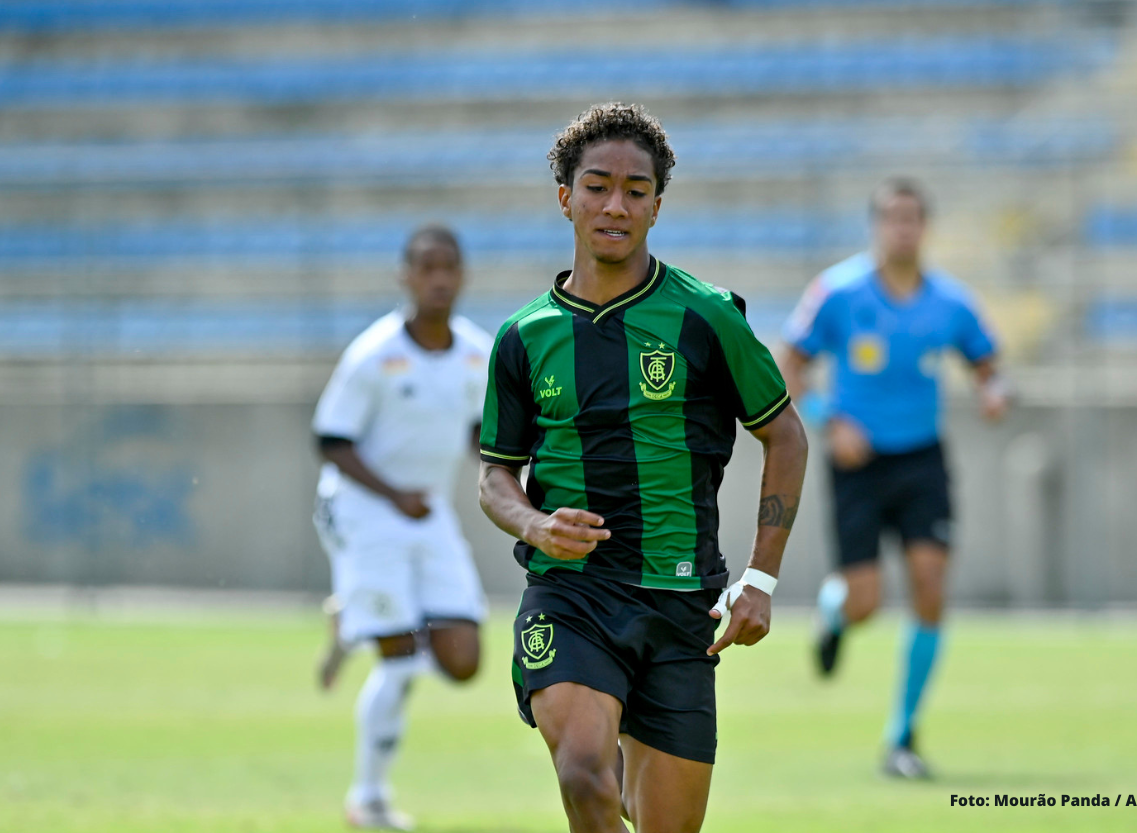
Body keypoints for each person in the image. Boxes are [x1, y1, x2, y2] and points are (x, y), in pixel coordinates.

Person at [477, 103, 808, 833]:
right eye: (597, 186)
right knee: (586, 773)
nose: (615, 205)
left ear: (658, 204)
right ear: (566, 196)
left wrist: (760, 579)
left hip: (680, 601)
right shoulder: (523, 337)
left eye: (635, 190)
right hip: (573, 595)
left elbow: (784, 434)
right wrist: (536, 522)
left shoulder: (707, 317)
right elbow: (494, 476)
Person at [779, 178, 1009, 779]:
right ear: (875, 226)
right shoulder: (838, 292)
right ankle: (832, 615)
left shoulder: (951, 303)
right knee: (864, 603)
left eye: (911, 219)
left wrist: (993, 390)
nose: (901, 229)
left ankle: (901, 737)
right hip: (857, 463)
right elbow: (789, 365)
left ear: (924, 227)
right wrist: (833, 422)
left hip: (922, 460)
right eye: (891, 218)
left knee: (931, 587)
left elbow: (987, 361)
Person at [311, 224, 492, 830]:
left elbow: (478, 431)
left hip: (427, 511)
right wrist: (392, 495)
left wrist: (508, 473)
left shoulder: (476, 351)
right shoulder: (374, 354)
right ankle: (368, 799)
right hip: (364, 511)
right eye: (427, 268)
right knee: (401, 659)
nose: (439, 279)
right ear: (406, 277)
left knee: (463, 660)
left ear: (463, 276)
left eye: (449, 267)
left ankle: (354, 618)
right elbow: (331, 440)